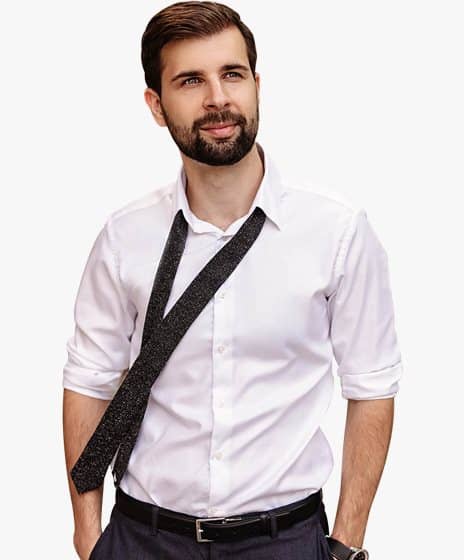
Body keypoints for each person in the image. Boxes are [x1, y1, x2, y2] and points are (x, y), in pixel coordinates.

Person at [62, 2, 403, 559]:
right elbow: (89, 380)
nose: (217, 98)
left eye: (232, 74)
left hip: (285, 541)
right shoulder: (125, 237)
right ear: (156, 105)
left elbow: (371, 386)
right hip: (142, 539)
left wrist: (346, 545)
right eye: (190, 80)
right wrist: (88, 535)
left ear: (257, 86)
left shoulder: (336, 232)